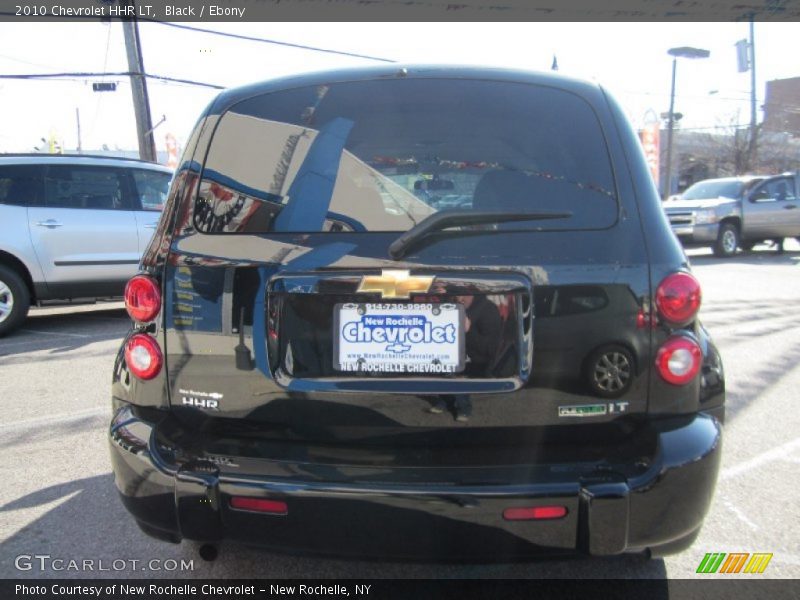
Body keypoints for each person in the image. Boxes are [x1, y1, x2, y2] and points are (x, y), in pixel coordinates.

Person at [429, 294, 502, 421]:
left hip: (474, 356)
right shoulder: (449, 304)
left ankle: (464, 409)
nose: (459, 299)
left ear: (473, 293)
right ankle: (445, 401)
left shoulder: (488, 310)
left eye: (464, 295)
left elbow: (489, 348)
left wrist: (468, 331)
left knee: (459, 376)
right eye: (455, 295)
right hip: (449, 350)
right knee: (442, 372)